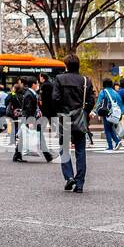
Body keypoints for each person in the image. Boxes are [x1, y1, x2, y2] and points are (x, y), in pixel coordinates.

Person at [50, 55, 90, 193]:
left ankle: (69, 177)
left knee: (64, 149)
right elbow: (91, 101)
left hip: (64, 118)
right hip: (80, 119)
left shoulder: (60, 79)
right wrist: (84, 112)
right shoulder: (86, 80)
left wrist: (59, 111)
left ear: (66, 65)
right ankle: (79, 183)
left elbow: (55, 98)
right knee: (80, 151)